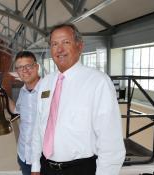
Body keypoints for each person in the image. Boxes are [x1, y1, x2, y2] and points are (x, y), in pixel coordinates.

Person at [30, 23, 125, 175]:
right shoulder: (46, 82)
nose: (59, 49)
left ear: (79, 46)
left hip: (80, 169)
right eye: (54, 44)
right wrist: (35, 164)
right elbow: (39, 126)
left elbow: (110, 140)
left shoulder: (98, 82)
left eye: (65, 42)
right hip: (46, 167)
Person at [8, 51, 41, 175]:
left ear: (36, 67)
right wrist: (3, 95)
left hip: (43, 158)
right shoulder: (22, 91)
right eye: (20, 67)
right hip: (23, 155)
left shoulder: (49, 89)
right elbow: (17, 111)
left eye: (28, 66)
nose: (25, 70)